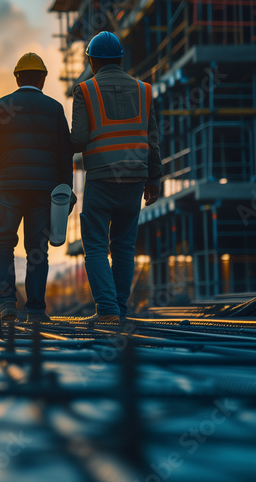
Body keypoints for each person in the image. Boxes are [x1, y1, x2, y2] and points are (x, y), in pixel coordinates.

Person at [0, 52, 74, 324]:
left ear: (17, 78)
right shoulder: (54, 109)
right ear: (42, 78)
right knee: (37, 248)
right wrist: (66, 192)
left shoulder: (3, 106)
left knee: (3, 244)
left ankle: (6, 305)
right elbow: (65, 155)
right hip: (44, 190)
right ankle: (36, 310)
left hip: (9, 189)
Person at [70, 31, 163, 322]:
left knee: (96, 245)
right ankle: (120, 310)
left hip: (101, 178)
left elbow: (79, 140)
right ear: (120, 59)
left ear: (92, 62)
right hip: (134, 179)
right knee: (124, 246)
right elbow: (153, 140)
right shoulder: (144, 90)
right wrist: (154, 179)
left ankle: (107, 310)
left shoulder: (85, 90)